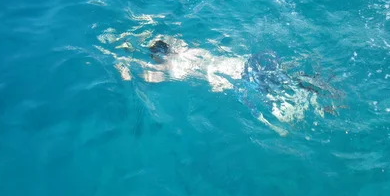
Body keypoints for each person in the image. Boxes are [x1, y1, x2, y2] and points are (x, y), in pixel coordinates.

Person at [103, 35, 341, 136]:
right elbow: (170, 38)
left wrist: (121, 64)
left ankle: (321, 107)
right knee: (287, 78)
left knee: (280, 97)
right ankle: (322, 90)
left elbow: (138, 76)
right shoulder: (188, 48)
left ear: (158, 57)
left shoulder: (167, 70)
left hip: (242, 82)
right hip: (245, 63)